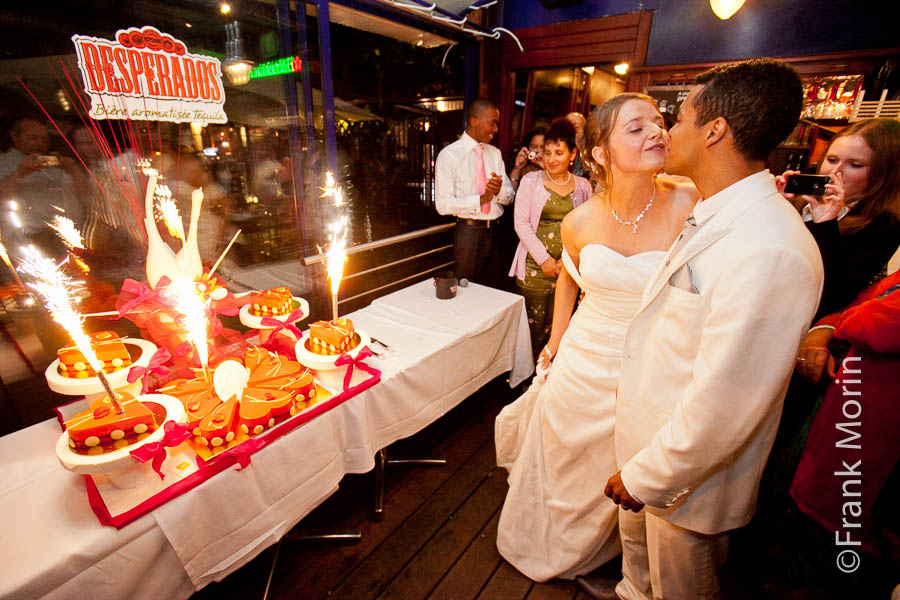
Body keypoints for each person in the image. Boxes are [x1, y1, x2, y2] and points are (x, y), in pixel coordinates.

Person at [602, 58, 824, 600]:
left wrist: (646, 475)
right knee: (640, 580)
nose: (665, 131)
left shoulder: (771, 246)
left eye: (677, 120)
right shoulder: (715, 211)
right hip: (647, 447)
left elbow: (727, 399)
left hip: (689, 484)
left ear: (715, 131)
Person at [495, 93, 698, 582]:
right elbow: (569, 279)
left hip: (652, 359)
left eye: (659, 122)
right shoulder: (578, 221)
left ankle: (610, 550)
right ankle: (546, 538)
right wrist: (554, 343)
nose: (657, 132)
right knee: (561, 450)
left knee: (622, 458)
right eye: (635, 128)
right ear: (601, 153)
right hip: (586, 353)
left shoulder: (691, 199)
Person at [777, 118, 900, 323]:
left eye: (855, 165)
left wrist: (826, 225)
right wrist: (775, 206)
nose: (835, 172)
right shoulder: (799, 200)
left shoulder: (885, 225)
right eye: (832, 159)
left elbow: (832, 295)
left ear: (884, 173)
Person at [508, 118, 592, 361]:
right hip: (535, 268)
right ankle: (526, 378)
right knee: (531, 326)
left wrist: (565, 262)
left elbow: (586, 228)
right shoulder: (530, 181)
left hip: (567, 269)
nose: (552, 159)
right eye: (548, 153)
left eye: (559, 152)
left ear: (572, 154)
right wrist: (545, 260)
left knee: (561, 326)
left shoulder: (583, 186)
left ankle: (550, 375)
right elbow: (521, 224)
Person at [435, 99, 514, 285]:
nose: (496, 129)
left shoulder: (495, 153)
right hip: (468, 233)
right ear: (474, 121)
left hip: (496, 231)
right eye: (493, 122)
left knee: (495, 289)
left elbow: (509, 196)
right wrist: (481, 199)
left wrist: (496, 193)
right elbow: (442, 204)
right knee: (467, 290)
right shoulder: (449, 155)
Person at [0, 117, 86, 253]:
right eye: (33, 138)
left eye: (45, 140)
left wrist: (72, 168)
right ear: (14, 136)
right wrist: (19, 174)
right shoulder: (4, 163)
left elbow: (86, 194)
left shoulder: (55, 168)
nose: (40, 144)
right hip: (25, 241)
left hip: (64, 237)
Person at [508, 127, 547, 191]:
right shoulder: (524, 167)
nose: (538, 150)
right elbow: (510, 194)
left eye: (542, 147)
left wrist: (546, 168)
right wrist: (517, 169)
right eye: (534, 146)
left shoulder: (552, 168)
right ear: (528, 147)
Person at [566, 112, 589, 178]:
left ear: (585, 129)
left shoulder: (589, 151)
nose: (572, 130)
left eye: (576, 127)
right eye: (569, 126)